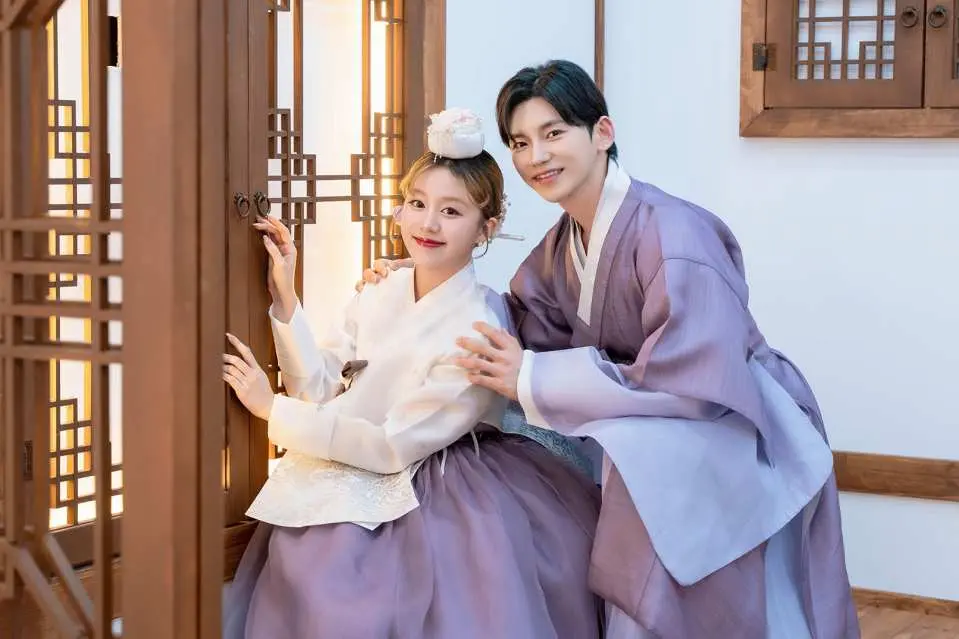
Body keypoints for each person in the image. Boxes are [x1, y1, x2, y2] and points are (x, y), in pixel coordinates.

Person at [360, 61, 860, 638]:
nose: (535, 157)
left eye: (553, 134)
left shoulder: (673, 233)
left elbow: (690, 375)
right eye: (520, 143)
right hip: (658, 408)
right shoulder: (565, 241)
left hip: (729, 414)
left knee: (634, 457)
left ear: (602, 132)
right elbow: (522, 325)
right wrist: (431, 276)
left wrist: (538, 378)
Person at [221, 107, 603, 639]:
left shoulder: (480, 328)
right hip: (357, 455)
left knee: (376, 594)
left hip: (436, 477)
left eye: (452, 211)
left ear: (485, 228)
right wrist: (285, 299)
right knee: (305, 563)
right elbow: (323, 387)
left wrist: (271, 411)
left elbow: (393, 446)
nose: (426, 224)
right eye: (416, 204)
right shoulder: (380, 287)